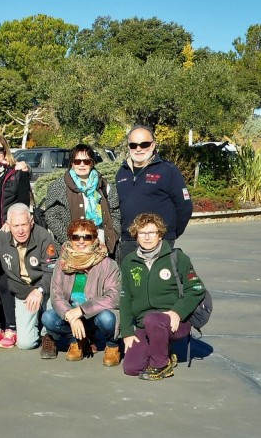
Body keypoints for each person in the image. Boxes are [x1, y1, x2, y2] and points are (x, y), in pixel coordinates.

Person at [120, 213, 207, 380]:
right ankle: (164, 353)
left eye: (151, 233)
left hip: (173, 322)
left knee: (153, 319)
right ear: (136, 235)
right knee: (131, 368)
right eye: (142, 233)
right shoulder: (129, 262)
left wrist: (177, 312)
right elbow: (125, 298)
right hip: (143, 324)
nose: (147, 237)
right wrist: (127, 332)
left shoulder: (176, 257)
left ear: (160, 235)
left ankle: (161, 365)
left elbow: (196, 288)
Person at [0, 204, 58, 355]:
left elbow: (52, 271)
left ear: (31, 222)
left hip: (44, 289)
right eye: (16, 225)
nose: (20, 230)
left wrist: (40, 290)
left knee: (52, 303)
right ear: (8, 225)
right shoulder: (0, 239)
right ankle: (34, 325)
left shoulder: (43, 236)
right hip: (23, 293)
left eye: (24, 224)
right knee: (25, 344)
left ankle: (49, 336)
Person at [41, 220, 122, 365]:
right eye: (76, 237)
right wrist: (71, 315)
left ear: (95, 239)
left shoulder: (108, 264)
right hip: (73, 313)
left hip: (96, 313)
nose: (81, 241)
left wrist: (82, 310)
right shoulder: (62, 262)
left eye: (87, 237)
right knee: (48, 318)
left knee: (108, 320)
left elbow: (113, 297)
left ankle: (112, 345)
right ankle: (77, 340)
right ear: (70, 239)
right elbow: (56, 295)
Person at [115, 126, 193, 262]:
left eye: (144, 144)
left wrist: (169, 234)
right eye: (133, 145)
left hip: (158, 242)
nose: (138, 149)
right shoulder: (122, 172)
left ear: (153, 145)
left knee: (157, 282)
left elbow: (184, 206)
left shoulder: (168, 171)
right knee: (129, 283)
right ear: (128, 147)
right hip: (128, 242)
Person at [43, 144, 121, 257]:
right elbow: (51, 216)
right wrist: (70, 240)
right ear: (71, 163)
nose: (82, 164)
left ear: (92, 163)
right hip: (72, 248)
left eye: (86, 161)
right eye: (77, 161)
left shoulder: (104, 185)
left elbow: (115, 212)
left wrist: (113, 234)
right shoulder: (58, 186)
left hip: (101, 245)